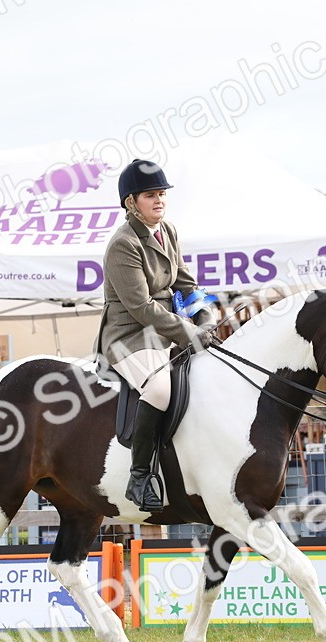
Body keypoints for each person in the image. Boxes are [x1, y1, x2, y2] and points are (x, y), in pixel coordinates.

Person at [96, 159, 217, 511]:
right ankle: (139, 477)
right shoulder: (123, 245)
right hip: (130, 336)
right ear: (131, 202)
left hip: (168, 330)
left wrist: (205, 315)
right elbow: (142, 308)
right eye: (151, 195)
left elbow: (185, 282)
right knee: (160, 389)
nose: (159, 200)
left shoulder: (168, 231)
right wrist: (189, 332)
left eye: (162, 193)